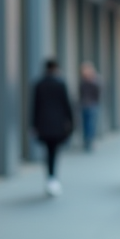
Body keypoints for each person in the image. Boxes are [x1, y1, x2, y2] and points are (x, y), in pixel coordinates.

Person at [33, 59, 75, 196]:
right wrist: (71, 122)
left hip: (43, 124)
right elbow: (67, 104)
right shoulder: (60, 83)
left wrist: (33, 124)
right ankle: (53, 178)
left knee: (48, 151)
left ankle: (50, 177)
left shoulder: (39, 84)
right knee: (54, 151)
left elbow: (35, 107)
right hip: (57, 124)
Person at [78, 62, 101, 151]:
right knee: (85, 124)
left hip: (92, 105)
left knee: (91, 124)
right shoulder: (83, 81)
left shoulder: (95, 81)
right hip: (84, 105)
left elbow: (97, 93)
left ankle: (90, 141)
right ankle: (86, 141)